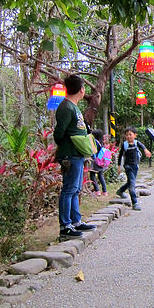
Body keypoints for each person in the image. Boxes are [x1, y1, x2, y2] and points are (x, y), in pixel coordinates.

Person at [53, 74, 96, 239]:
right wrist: (66, 146)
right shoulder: (66, 107)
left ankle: (76, 221)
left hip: (77, 154)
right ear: (81, 90)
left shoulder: (74, 107)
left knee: (76, 189)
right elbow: (59, 133)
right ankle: (65, 226)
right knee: (69, 189)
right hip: (69, 155)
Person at [116, 127, 152, 211]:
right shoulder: (125, 145)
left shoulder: (136, 143)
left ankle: (120, 191)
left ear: (135, 135)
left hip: (135, 166)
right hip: (128, 167)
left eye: (130, 134)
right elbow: (120, 155)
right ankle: (135, 203)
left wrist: (146, 150)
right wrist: (119, 167)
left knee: (130, 182)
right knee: (132, 185)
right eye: (127, 135)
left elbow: (142, 146)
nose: (128, 136)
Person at [89, 129, 107, 196]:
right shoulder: (102, 143)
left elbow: (93, 152)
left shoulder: (95, 142)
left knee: (92, 176)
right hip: (101, 161)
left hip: (95, 161)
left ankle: (97, 190)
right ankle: (104, 191)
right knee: (100, 176)